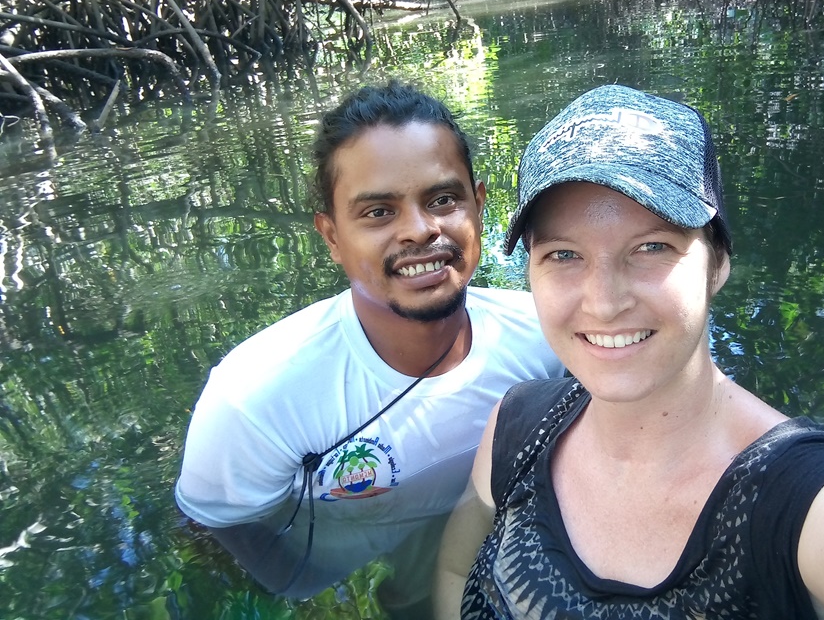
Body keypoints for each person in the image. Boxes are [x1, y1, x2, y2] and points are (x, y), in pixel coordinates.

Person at [434, 84, 824, 620]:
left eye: (651, 247)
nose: (604, 302)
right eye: (563, 255)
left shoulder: (798, 503)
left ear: (718, 263)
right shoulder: (518, 424)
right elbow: (456, 568)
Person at [174, 81, 563, 615]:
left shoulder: (547, 339)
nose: (420, 230)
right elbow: (215, 537)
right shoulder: (257, 396)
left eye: (443, 199)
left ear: (479, 203)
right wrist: (306, 595)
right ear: (332, 236)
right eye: (378, 212)